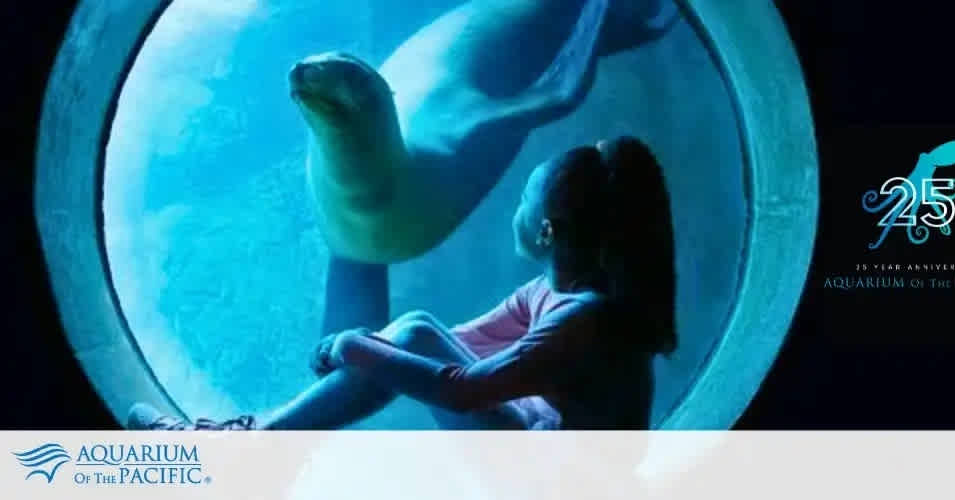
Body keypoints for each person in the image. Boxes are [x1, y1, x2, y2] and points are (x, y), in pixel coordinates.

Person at [128, 136, 677, 431]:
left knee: (404, 340)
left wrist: (352, 345)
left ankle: (248, 453)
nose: (515, 208)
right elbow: (462, 340)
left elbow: (463, 389)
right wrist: (370, 352)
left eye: (524, 199)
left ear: (548, 230)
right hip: (536, 445)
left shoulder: (583, 320)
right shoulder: (551, 290)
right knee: (407, 334)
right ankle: (252, 447)